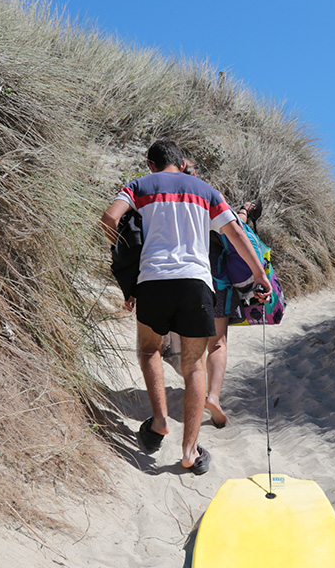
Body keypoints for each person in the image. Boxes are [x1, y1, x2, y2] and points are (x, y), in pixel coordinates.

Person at [100, 140, 271, 474]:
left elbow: (109, 219)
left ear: (152, 164)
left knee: (150, 351)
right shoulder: (205, 190)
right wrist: (259, 273)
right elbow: (235, 232)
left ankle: (160, 421)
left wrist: (124, 257)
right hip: (195, 283)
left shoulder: (139, 185)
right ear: (181, 162)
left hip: (152, 281)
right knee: (194, 363)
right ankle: (190, 452)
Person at [205, 200, 262, 428]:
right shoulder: (213, 207)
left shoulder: (176, 208)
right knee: (217, 344)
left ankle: (195, 389)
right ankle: (213, 397)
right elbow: (237, 231)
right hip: (218, 286)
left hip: (184, 281)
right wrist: (245, 211)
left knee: (192, 344)